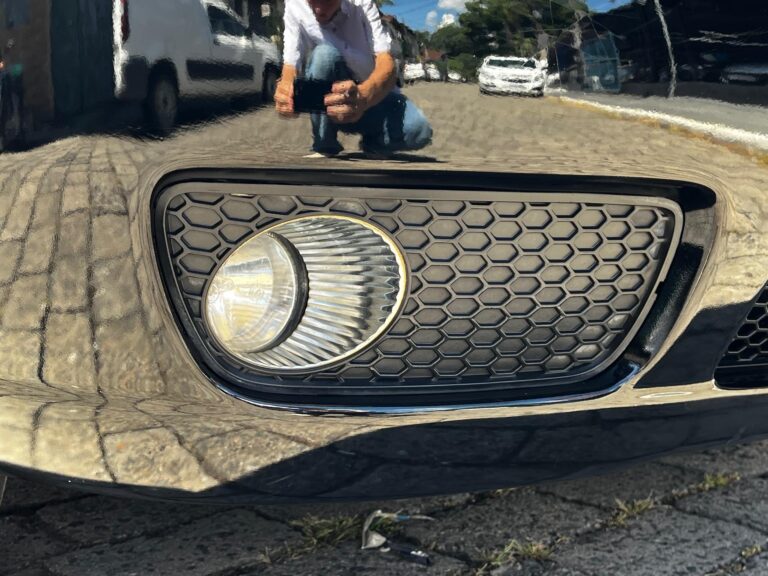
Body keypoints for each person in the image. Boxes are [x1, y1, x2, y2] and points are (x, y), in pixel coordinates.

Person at [275, 0, 433, 157]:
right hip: (329, 103)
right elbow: (290, 64)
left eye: (327, 3)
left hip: (370, 95)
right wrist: (286, 93)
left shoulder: (363, 4)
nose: (319, 10)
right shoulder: (294, 4)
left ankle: (375, 142)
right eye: (312, 1)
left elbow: (386, 62)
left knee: (419, 130)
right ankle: (324, 142)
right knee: (324, 55)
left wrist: (363, 96)